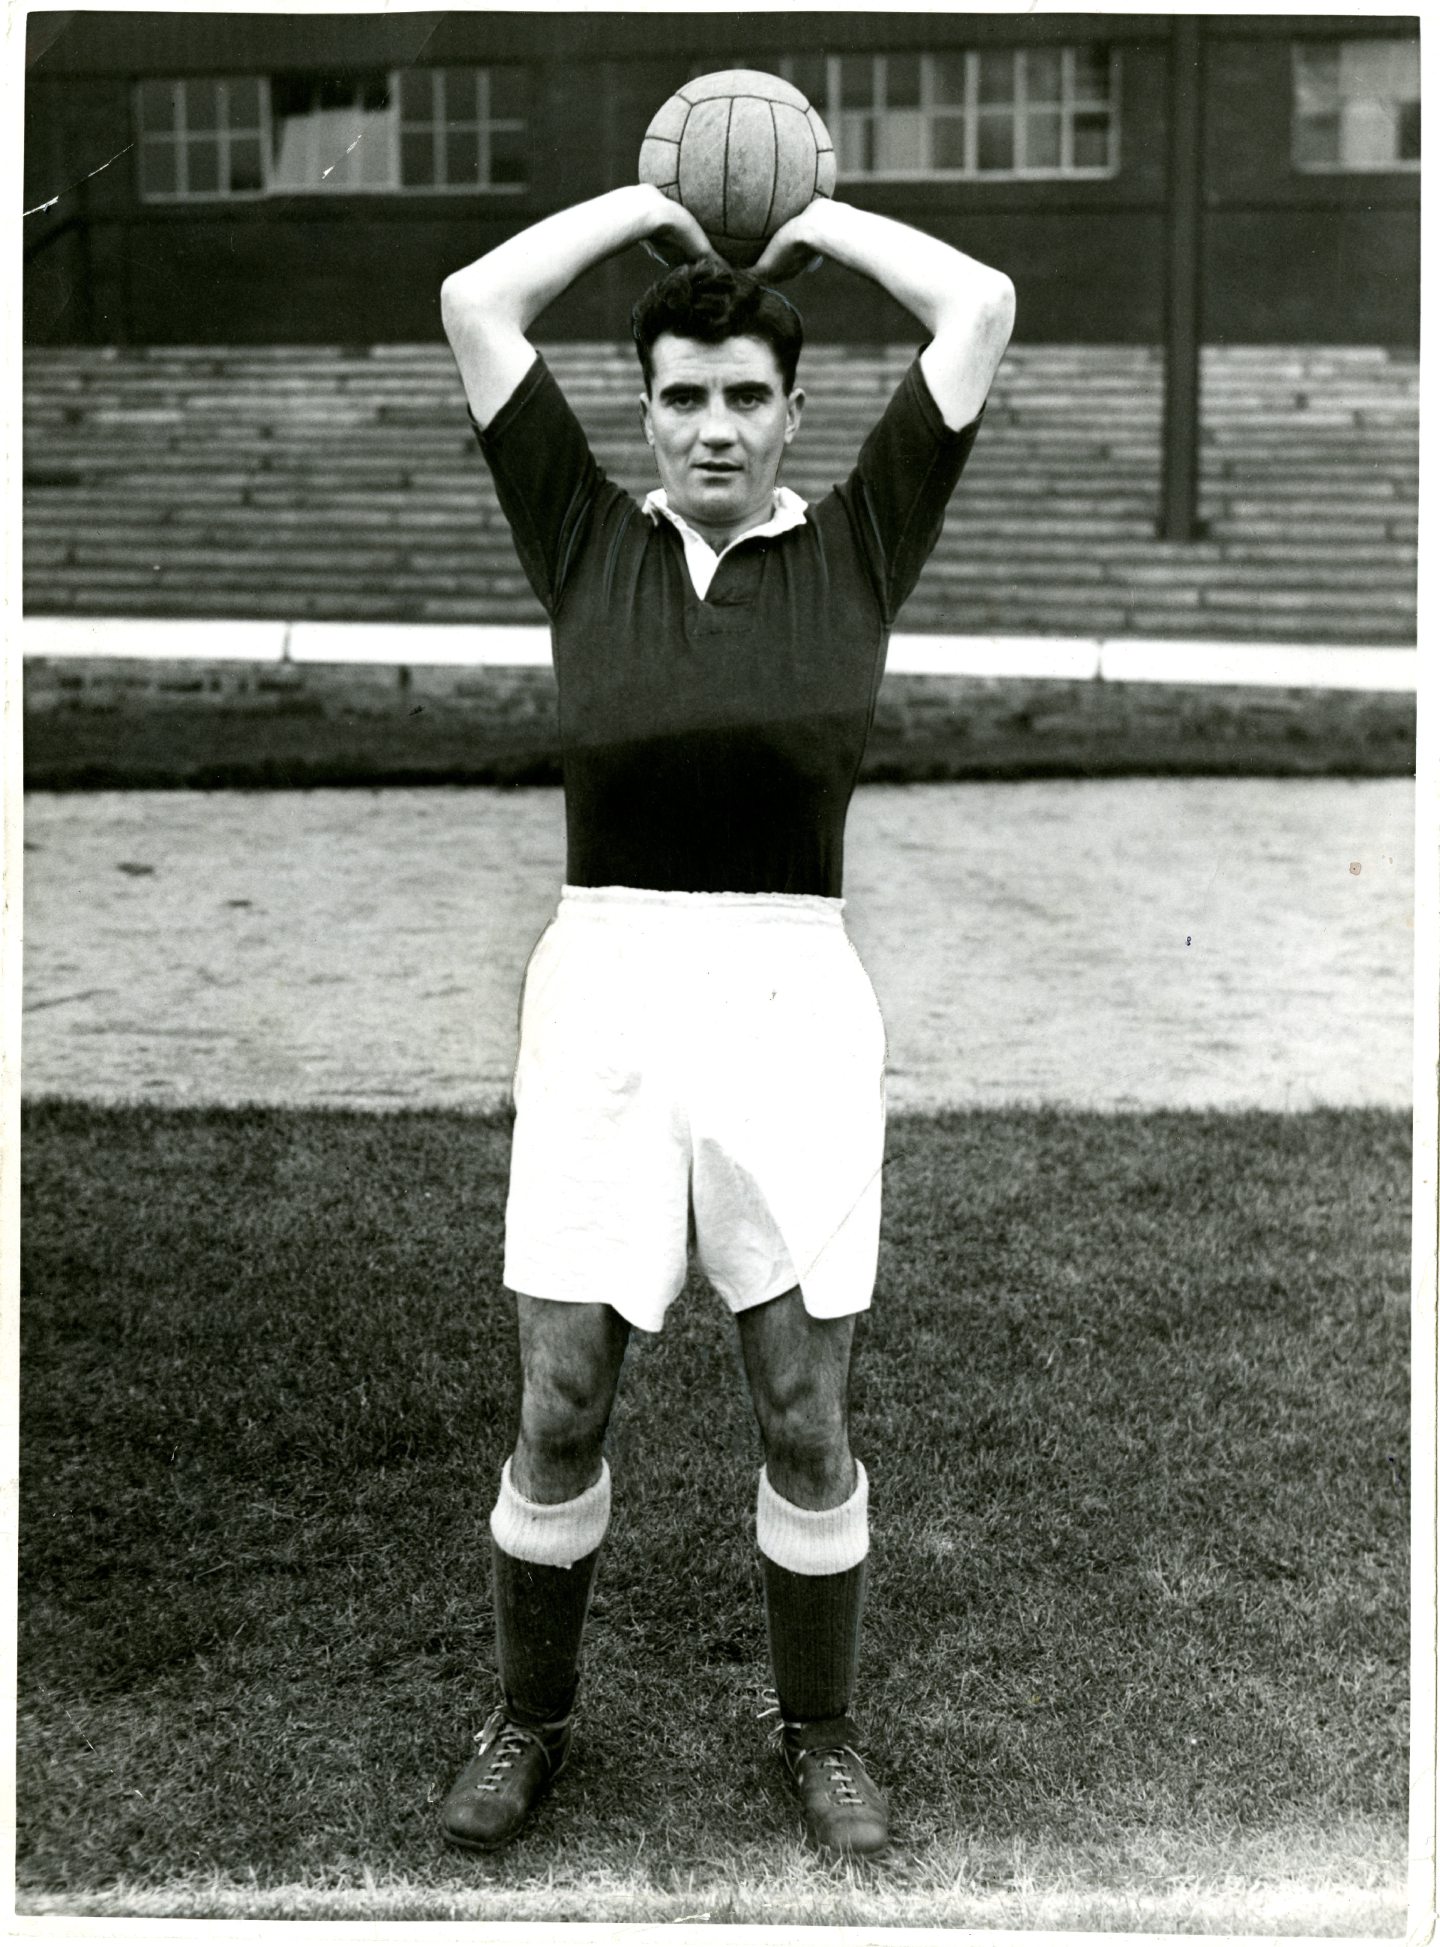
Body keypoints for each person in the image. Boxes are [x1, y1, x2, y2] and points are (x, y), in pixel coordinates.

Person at [436, 179, 1013, 1861]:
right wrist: (644, 203)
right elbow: (479, 300)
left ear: (793, 412)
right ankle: (528, 1719)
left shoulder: (858, 542)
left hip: (789, 997)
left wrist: (812, 216)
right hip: (607, 988)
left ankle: (819, 1732)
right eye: (681, 394)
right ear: (645, 411)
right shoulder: (583, 535)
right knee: (559, 1397)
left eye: (746, 394)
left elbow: (975, 305)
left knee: (803, 1406)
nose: (712, 427)